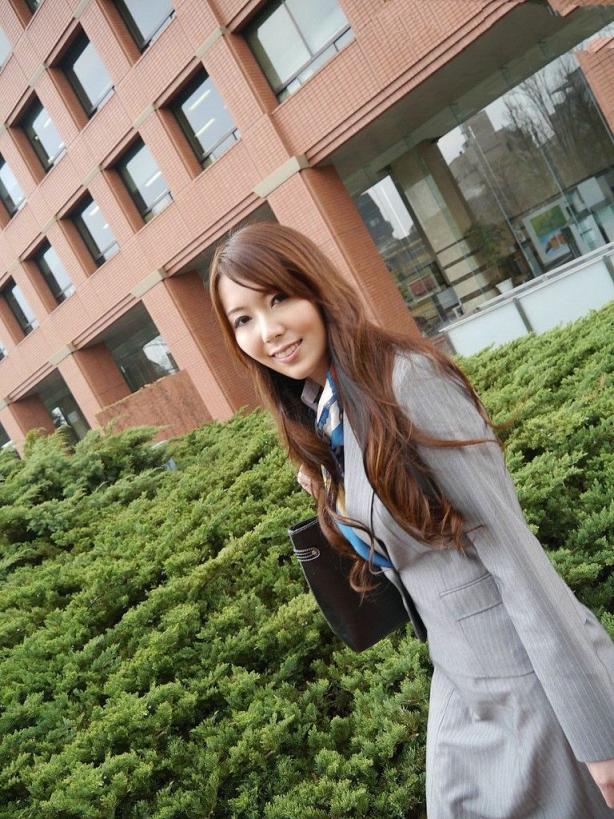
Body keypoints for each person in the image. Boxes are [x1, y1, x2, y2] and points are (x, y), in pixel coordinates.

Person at [209, 221, 614, 817]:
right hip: (461, 686)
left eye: (278, 299)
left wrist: (598, 734)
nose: (268, 331)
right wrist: (331, 491)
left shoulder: (406, 380)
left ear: (316, 290)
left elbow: (513, 553)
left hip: (529, 688)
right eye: (243, 319)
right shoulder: (325, 415)